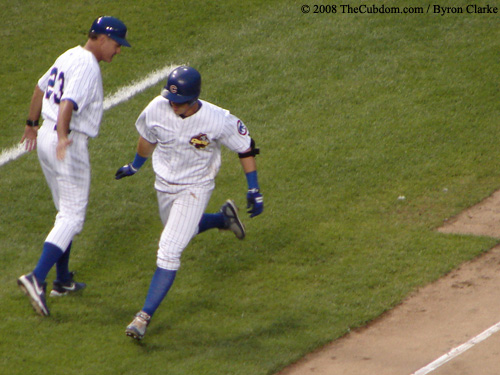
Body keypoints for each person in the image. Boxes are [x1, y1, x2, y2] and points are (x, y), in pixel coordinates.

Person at [115, 66, 264, 340]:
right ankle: (222, 219)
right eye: (170, 99)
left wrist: (254, 188)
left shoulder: (218, 120)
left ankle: (142, 317)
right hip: (163, 185)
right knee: (179, 230)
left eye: (179, 101)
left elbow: (246, 145)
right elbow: (147, 139)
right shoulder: (158, 108)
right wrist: (135, 166)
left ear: (194, 99)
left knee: (169, 249)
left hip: (196, 188)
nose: (173, 105)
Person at [17, 16, 131, 316]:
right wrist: (64, 138)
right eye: (117, 45)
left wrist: (31, 125)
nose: (118, 51)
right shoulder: (88, 66)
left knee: (63, 212)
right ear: (103, 38)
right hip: (64, 143)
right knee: (72, 216)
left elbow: (40, 88)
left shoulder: (69, 53)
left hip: (45, 136)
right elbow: (67, 103)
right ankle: (36, 278)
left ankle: (62, 280)